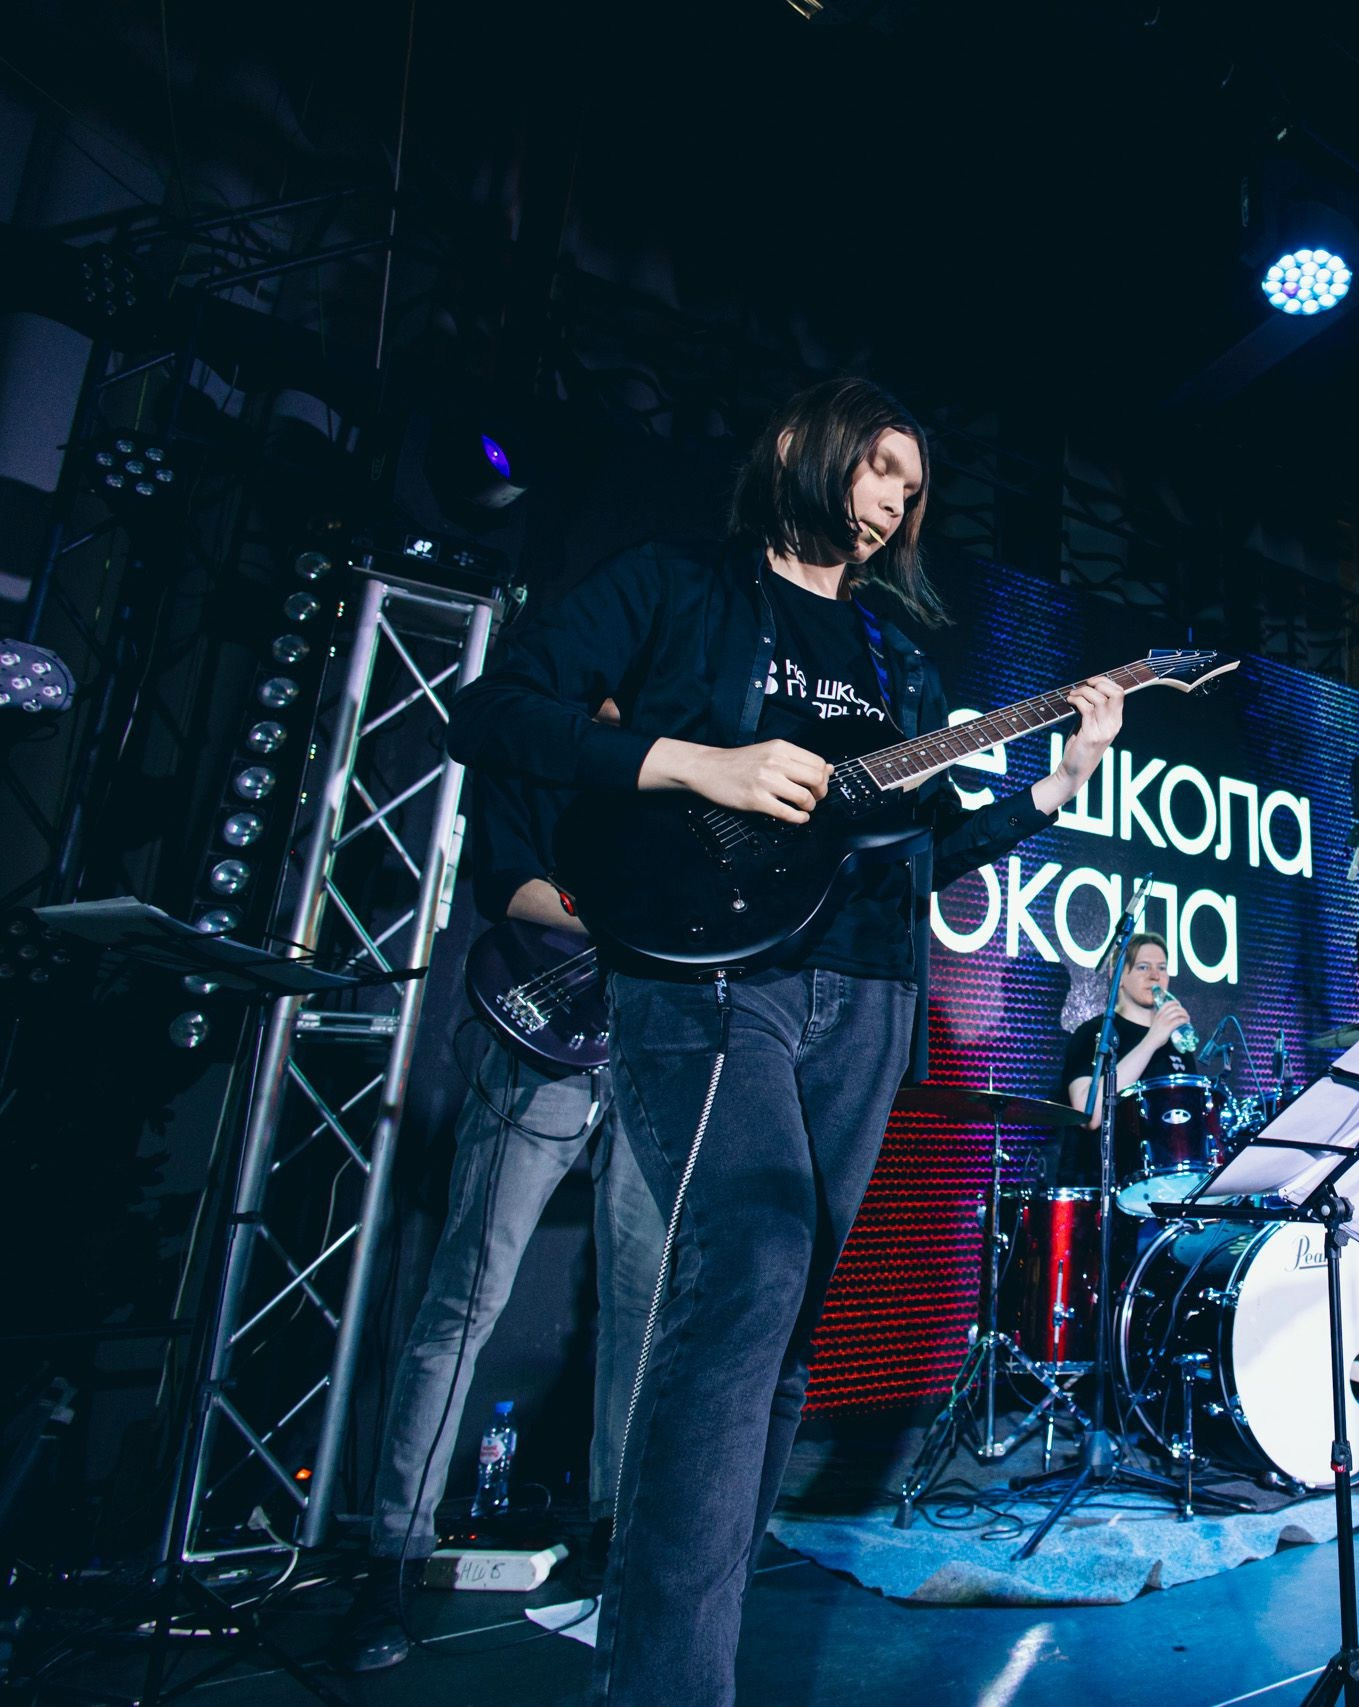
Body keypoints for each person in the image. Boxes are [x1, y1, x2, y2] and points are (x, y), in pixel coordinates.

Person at [446, 377, 1127, 1706]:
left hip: (866, 989)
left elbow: (920, 855)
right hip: (706, 981)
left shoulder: (903, 664)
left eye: (910, 489)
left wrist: (1052, 787)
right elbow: (493, 714)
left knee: (789, 1329)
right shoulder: (673, 586)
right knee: (743, 1273)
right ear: (808, 454)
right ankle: (664, 1684)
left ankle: (677, 1651)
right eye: (879, 467)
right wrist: (691, 764)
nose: (891, 501)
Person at [338, 765, 665, 1673]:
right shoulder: (543, 743)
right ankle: (393, 1558)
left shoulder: (701, 728)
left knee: (641, 1316)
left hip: (655, 1049)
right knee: (465, 1301)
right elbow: (507, 882)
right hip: (548, 1035)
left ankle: (612, 1542)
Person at [1052, 930, 1199, 1185]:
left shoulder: (1177, 1043)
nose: (1155, 976)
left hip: (1169, 1186)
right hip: (1107, 1187)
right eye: (1143, 967)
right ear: (1118, 976)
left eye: (1162, 968)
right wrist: (1152, 1040)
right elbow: (1090, 1114)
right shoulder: (1093, 1033)